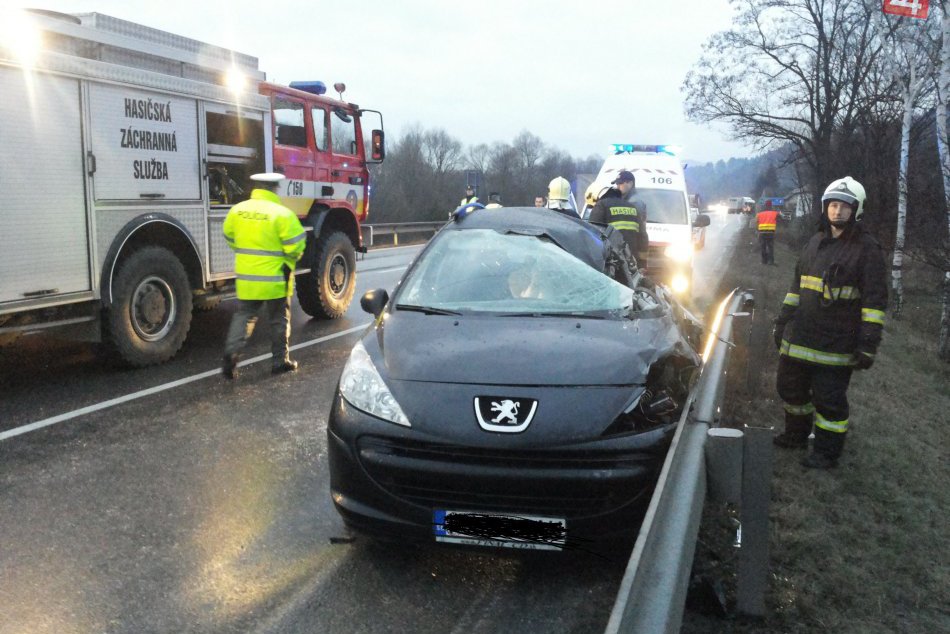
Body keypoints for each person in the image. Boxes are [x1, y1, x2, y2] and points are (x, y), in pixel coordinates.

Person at [772, 176, 888, 469]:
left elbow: (874, 303)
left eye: (845, 207)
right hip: (801, 337)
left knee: (829, 401)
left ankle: (826, 453)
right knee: (790, 388)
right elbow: (796, 287)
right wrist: (782, 320)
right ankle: (796, 435)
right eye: (833, 205)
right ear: (825, 208)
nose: (837, 212)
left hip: (837, 345)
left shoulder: (867, 249)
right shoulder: (814, 242)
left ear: (856, 210)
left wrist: (868, 344)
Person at [221, 173, 307, 379]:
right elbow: (297, 246)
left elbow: (228, 235)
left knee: (244, 316)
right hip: (275, 280)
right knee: (278, 319)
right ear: (274, 188)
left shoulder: (237, 211)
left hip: (247, 278)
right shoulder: (282, 214)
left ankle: (231, 355)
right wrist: (288, 260)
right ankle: (279, 362)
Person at [588, 170, 649, 268]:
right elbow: (643, 237)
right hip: (631, 260)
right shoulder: (632, 206)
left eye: (620, 183)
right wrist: (642, 263)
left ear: (630, 183)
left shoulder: (635, 203)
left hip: (612, 260)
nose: (617, 186)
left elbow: (592, 234)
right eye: (616, 183)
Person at [757, 200, 779, 264]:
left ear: (765, 206)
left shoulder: (760, 214)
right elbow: (780, 219)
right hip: (771, 233)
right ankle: (771, 261)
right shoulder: (775, 213)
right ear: (771, 206)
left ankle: (764, 261)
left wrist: (757, 231)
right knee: (770, 247)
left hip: (762, 233)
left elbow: (756, 222)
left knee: (763, 247)